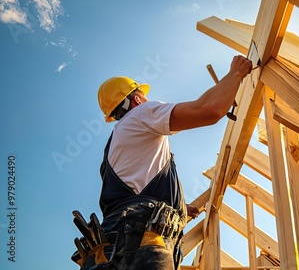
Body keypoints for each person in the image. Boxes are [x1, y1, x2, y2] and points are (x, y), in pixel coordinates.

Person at [71, 55, 253, 269]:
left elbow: (133, 190)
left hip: (112, 248)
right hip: (138, 244)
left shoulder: (118, 142)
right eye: (144, 97)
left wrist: (178, 209)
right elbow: (210, 109)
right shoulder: (141, 114)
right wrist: (236, 73)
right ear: (136, 99)